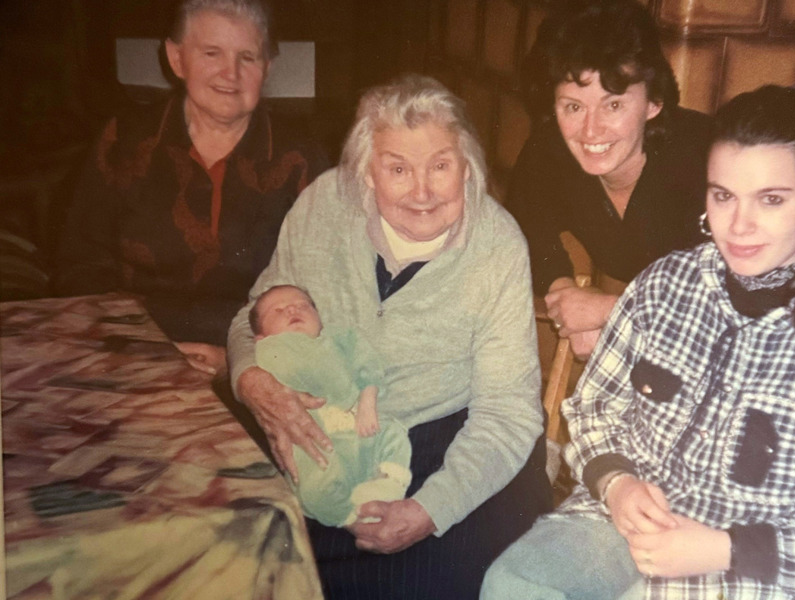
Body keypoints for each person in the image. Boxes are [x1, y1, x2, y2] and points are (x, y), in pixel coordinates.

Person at [481, 85, 795, 600]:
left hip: (752, 574)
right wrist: (616, 483)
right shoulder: (664, 285)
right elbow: (594, 407)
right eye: (723, 196)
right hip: (620, 524)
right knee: (515, 585)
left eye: (771, 199)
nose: (739, 225)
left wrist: (724, 549)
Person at [227, 74, 552, 599]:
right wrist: (252, 381)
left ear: (467, 165)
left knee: (438, 579)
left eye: (440, 166)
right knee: (246, 549)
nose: (422, 192)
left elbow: (508, 412)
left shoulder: (498, 245)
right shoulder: (323, 205)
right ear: (365, 171)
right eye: (398, 168)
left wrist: (431, 509)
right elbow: (254, 316)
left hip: (452, 435)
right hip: (328, 425)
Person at [53, 0, 330, 377]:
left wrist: (238, 362)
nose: (230, 73)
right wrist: (146, 350)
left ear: (268, 67)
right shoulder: (125, 140)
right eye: (212, 53)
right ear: (177, 58)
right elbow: (80, 267)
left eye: (248, 57)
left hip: (261, 361)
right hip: (130, 353)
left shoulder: (302, 157)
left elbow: (326, 288)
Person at [510, 0, 712, 358]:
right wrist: (564, 297)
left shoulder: (707, 161)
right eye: (573, 106)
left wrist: (610, 311)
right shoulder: (549, 152)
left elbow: (741, 298)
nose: (590, 130)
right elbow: (523, 229)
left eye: (613, 104)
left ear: (654, 102)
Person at [249, 284, 412, 528]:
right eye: (278, 310)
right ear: (260, 337)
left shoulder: (340, 337)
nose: (293, 310)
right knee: (312, 471)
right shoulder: (268, 349)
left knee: (394, 433)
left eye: (303, 305)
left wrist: (367, 400)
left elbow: (368, 364)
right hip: (311, 429)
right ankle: (346, 514)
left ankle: (386, 485)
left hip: (357, 421)